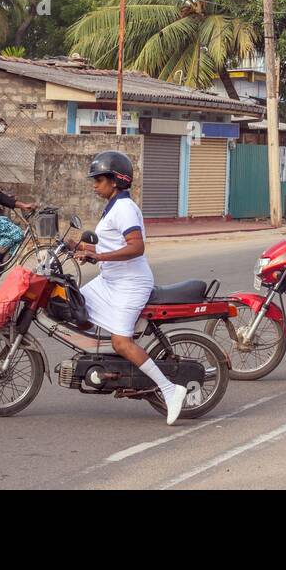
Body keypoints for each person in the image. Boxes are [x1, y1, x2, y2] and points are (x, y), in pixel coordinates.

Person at [74, 150, 188, 425]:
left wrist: (97, 256)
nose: (94, 184)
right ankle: (109, 366)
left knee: (121, 341)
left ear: (114, 181)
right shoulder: (113, 207)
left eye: (99, 179)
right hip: (110, 280)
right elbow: (106, 244)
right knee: (76, 307)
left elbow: (136, 247)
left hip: (130, 284)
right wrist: (73, 246)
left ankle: (171, 390)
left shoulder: (124, 208)